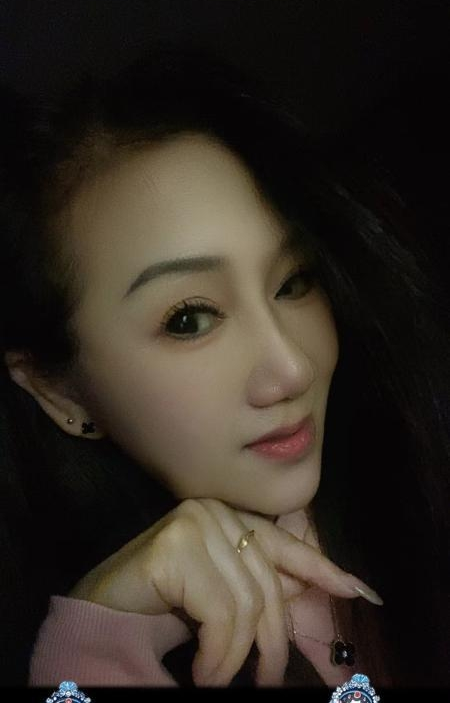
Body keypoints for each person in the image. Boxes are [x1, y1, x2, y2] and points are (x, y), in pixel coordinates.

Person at [0, 43, 449, 688]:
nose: (292, 369)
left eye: (295, 281)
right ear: (58, 392)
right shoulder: (88, 649)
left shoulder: (419, 475)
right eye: (190, 318)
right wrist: (100, 638)